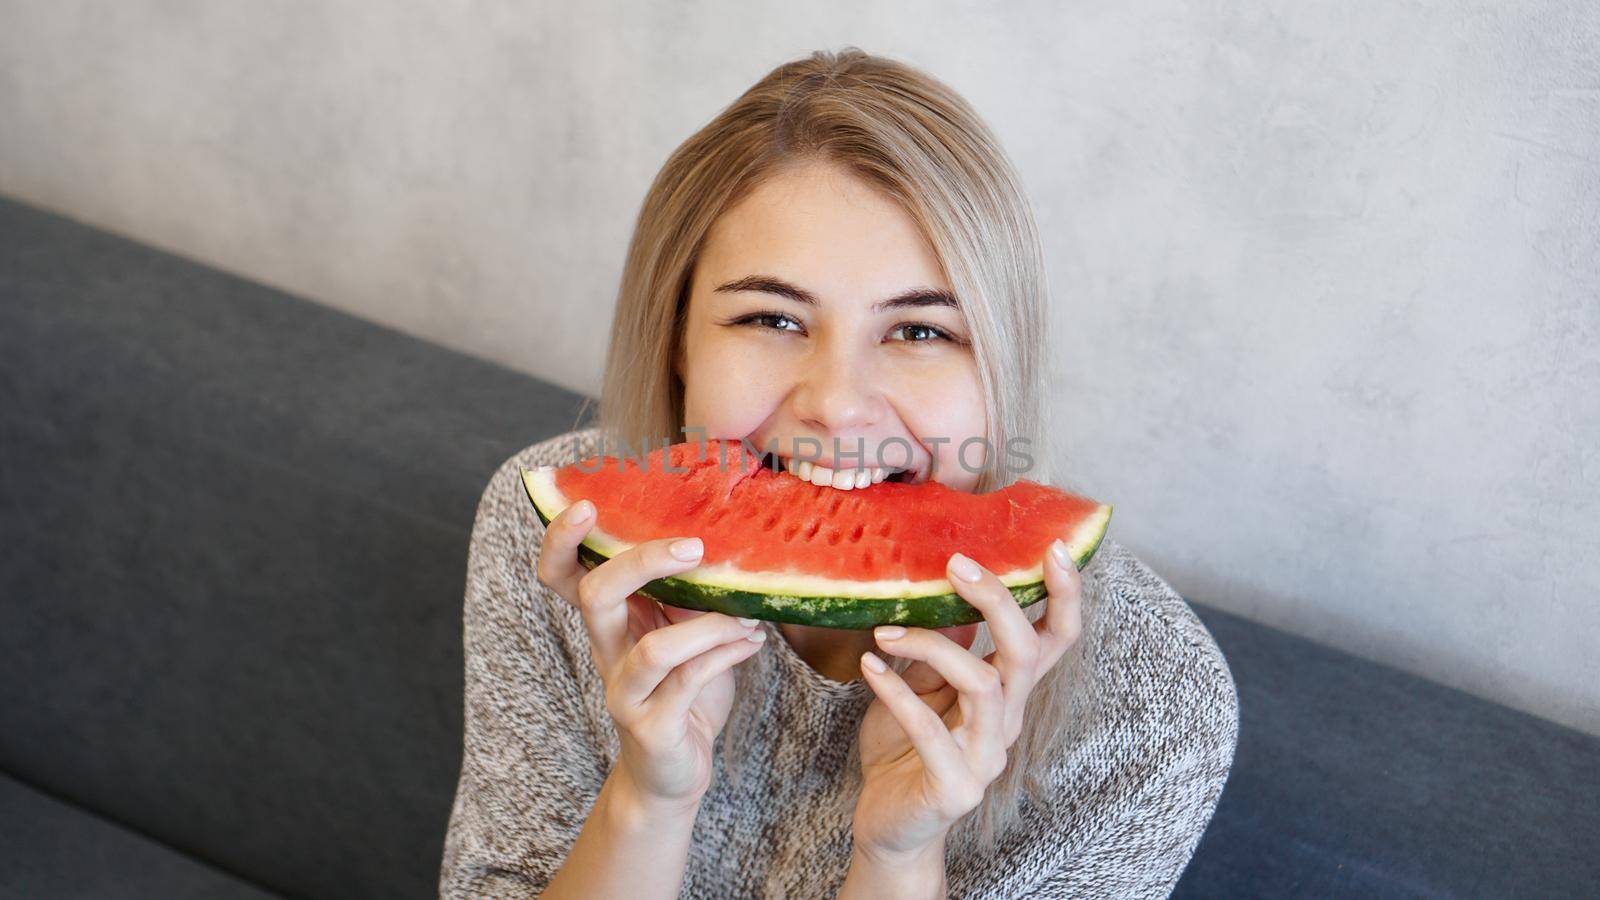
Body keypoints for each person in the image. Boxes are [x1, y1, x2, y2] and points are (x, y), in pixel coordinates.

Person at [440, 47, 1238, 899]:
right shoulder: (559, 546)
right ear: (676, 336)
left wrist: (899, 857)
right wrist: (647, 800)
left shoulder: (1157, 707)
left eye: (921, 331)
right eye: (773, 318)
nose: (838, 404)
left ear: (1001, 362)